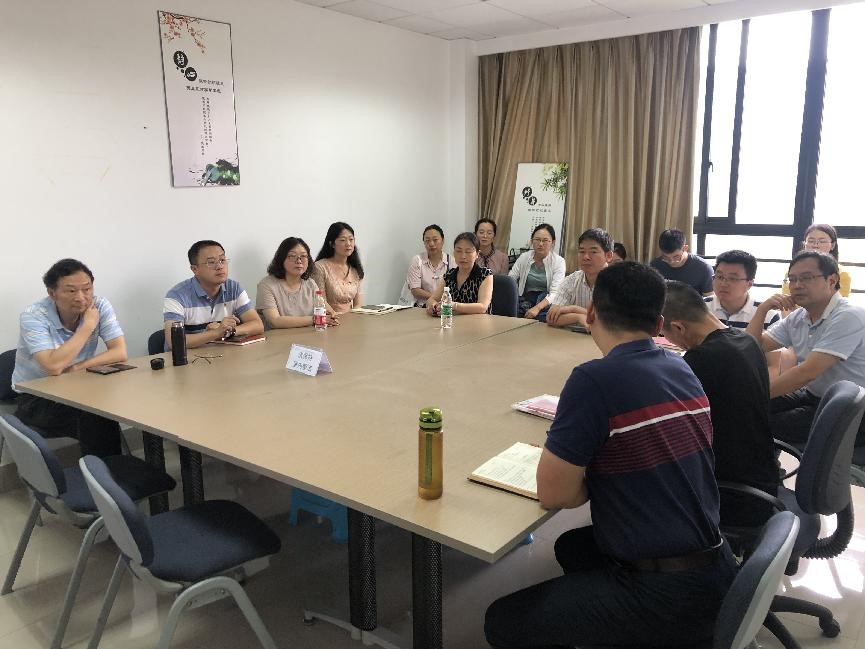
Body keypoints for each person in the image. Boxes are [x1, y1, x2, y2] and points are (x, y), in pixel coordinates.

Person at [484, 262, 735, 648]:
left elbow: (555, 494)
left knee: (501, 621)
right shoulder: (681, 367)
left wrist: (591, 476)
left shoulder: (593, 379)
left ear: (590, 313)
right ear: (659, 325)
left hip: (669, 592)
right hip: (717, 562)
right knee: (572, 547)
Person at [662, 281, 779, 527]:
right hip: (761, 479)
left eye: (666, 334)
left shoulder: (702, 360)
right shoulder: (746, 341)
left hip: (729, 496)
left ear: (678, 327)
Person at [747, 250, 865, 446]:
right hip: (813, 394)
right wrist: (762, 310)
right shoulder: (799, 316)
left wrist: (754, 395)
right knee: (745, 409)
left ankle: (764, 466)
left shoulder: (849, 316)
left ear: (832, 280)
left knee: (759, 422)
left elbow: (807, 372)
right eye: (792, 279)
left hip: (854, 409)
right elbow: (749, 348)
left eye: (806, 278)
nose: (796, 285)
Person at [12, 258, 127, 458]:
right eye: (71, 291)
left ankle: (114, 468)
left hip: (79, 386)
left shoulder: (99, 305)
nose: (81, 297)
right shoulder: (33, 316)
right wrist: (87, 326)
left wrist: (77, 367)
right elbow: (53, 366)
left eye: (87, 289)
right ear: (52, 293)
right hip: (36, 396)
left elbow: (119, 352)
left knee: (114, 403)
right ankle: (103, 473)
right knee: (96, 415)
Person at [164, 240, 264, 350]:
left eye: (222, 260)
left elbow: (257, 324)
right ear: (195, 269)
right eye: (211, 262)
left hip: (224, 354)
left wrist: (230, 330)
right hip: (188, 358)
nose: (219, 266)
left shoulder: (233, 288)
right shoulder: (177, 296)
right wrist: (216, 333)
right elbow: (174, 341)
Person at [256, 236, 339, 329]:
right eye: (292, 256)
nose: (299, 261)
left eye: (303, 256)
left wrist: (331, 315)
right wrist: (315, 319)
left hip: (308, 335)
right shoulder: (266, 285)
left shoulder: (311, 284)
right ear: (281, 259)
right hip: (278, 337)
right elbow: (275, 321)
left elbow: (326, 309)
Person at [546, 228, 613, 329]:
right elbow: (551, 318)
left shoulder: (618, 282)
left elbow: (613, 322)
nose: (586, 257)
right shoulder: (571, 280)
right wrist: (578, 317)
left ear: (609, 256)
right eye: (582, 251)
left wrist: (574, 309)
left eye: (593, 252)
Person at [706, 250, 780, 329]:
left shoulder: (768, 316)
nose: (723, 284)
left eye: (732, 278)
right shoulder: (701, 308)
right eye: (720, 277)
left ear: (749, 284)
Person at [426, 232, 493, 317]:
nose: (463, 256)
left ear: (477, 254)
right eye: (458, 251)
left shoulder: (485, 274)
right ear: (454, 252)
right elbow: (431, 299)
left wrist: (454, 306)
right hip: (453, 322)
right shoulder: (449, 275)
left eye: (468, 251)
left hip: (478, 322)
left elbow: (482, 307)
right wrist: (433, 305)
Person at [508, 223, 565, 320]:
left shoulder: (558, 261)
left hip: (545, 302)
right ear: (531, 241)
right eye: (537, 240)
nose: (541, 244)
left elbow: (555, 293)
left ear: (553, 243)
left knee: (551, 316)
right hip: (525, 300)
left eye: (545, 240)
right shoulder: (524, 257)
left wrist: (537, 308)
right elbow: (511, 279)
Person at [782, 223, 852, 297]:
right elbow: (787, 299)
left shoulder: (842, 274)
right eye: (811, 241)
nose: (815, 245)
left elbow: (838, 302)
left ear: (832, 245)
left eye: (822, 241)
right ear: (804, 244)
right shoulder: (793, 271)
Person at [313, 222, 364, 314]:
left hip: (352, 318)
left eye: (351, 239)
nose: (348, 244)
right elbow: (320, 301)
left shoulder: (355, 268)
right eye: (343, 240)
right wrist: (335, 316)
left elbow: (358, 304)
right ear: (332, 244)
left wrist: (351, 317)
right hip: (329, 318)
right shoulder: (320, 267)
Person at [650, 228, 714, 296]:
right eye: (665, 257)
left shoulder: (704, 268)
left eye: (676, 256)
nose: (671, 261)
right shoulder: (654, 266)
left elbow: (708, 299)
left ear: (685, 248)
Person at [405, 224, 456, 307]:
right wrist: (438, 298)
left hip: (445, 307)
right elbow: (415, 290)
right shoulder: (417, 260)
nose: (431, 244)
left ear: (443, 241)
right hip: (422, 307)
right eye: (427, 240)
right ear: (424, 243)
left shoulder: (452, 261)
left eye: (435, 240)